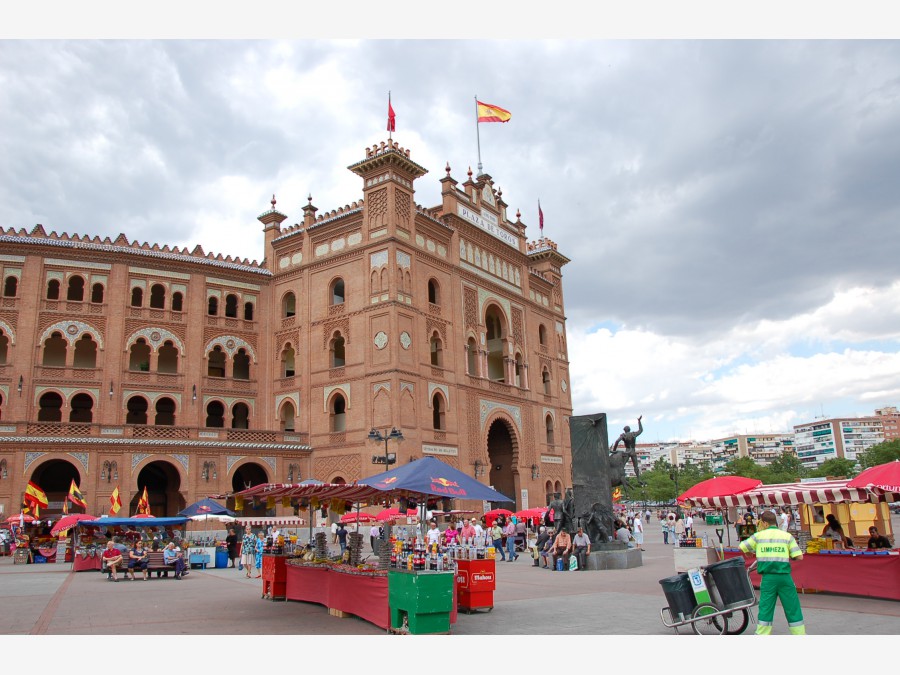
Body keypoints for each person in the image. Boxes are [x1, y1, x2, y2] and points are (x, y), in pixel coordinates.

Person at [739, 510, 806, 635]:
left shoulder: (759, 536)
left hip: (768, 578)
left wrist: (749, 553)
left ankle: (762, 634)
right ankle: (800, 634)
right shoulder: (786, 536)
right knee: (793, 607)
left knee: (765, 607)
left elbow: (742, 546)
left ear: (764, 523)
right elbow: (799, 557)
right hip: (785, 578)